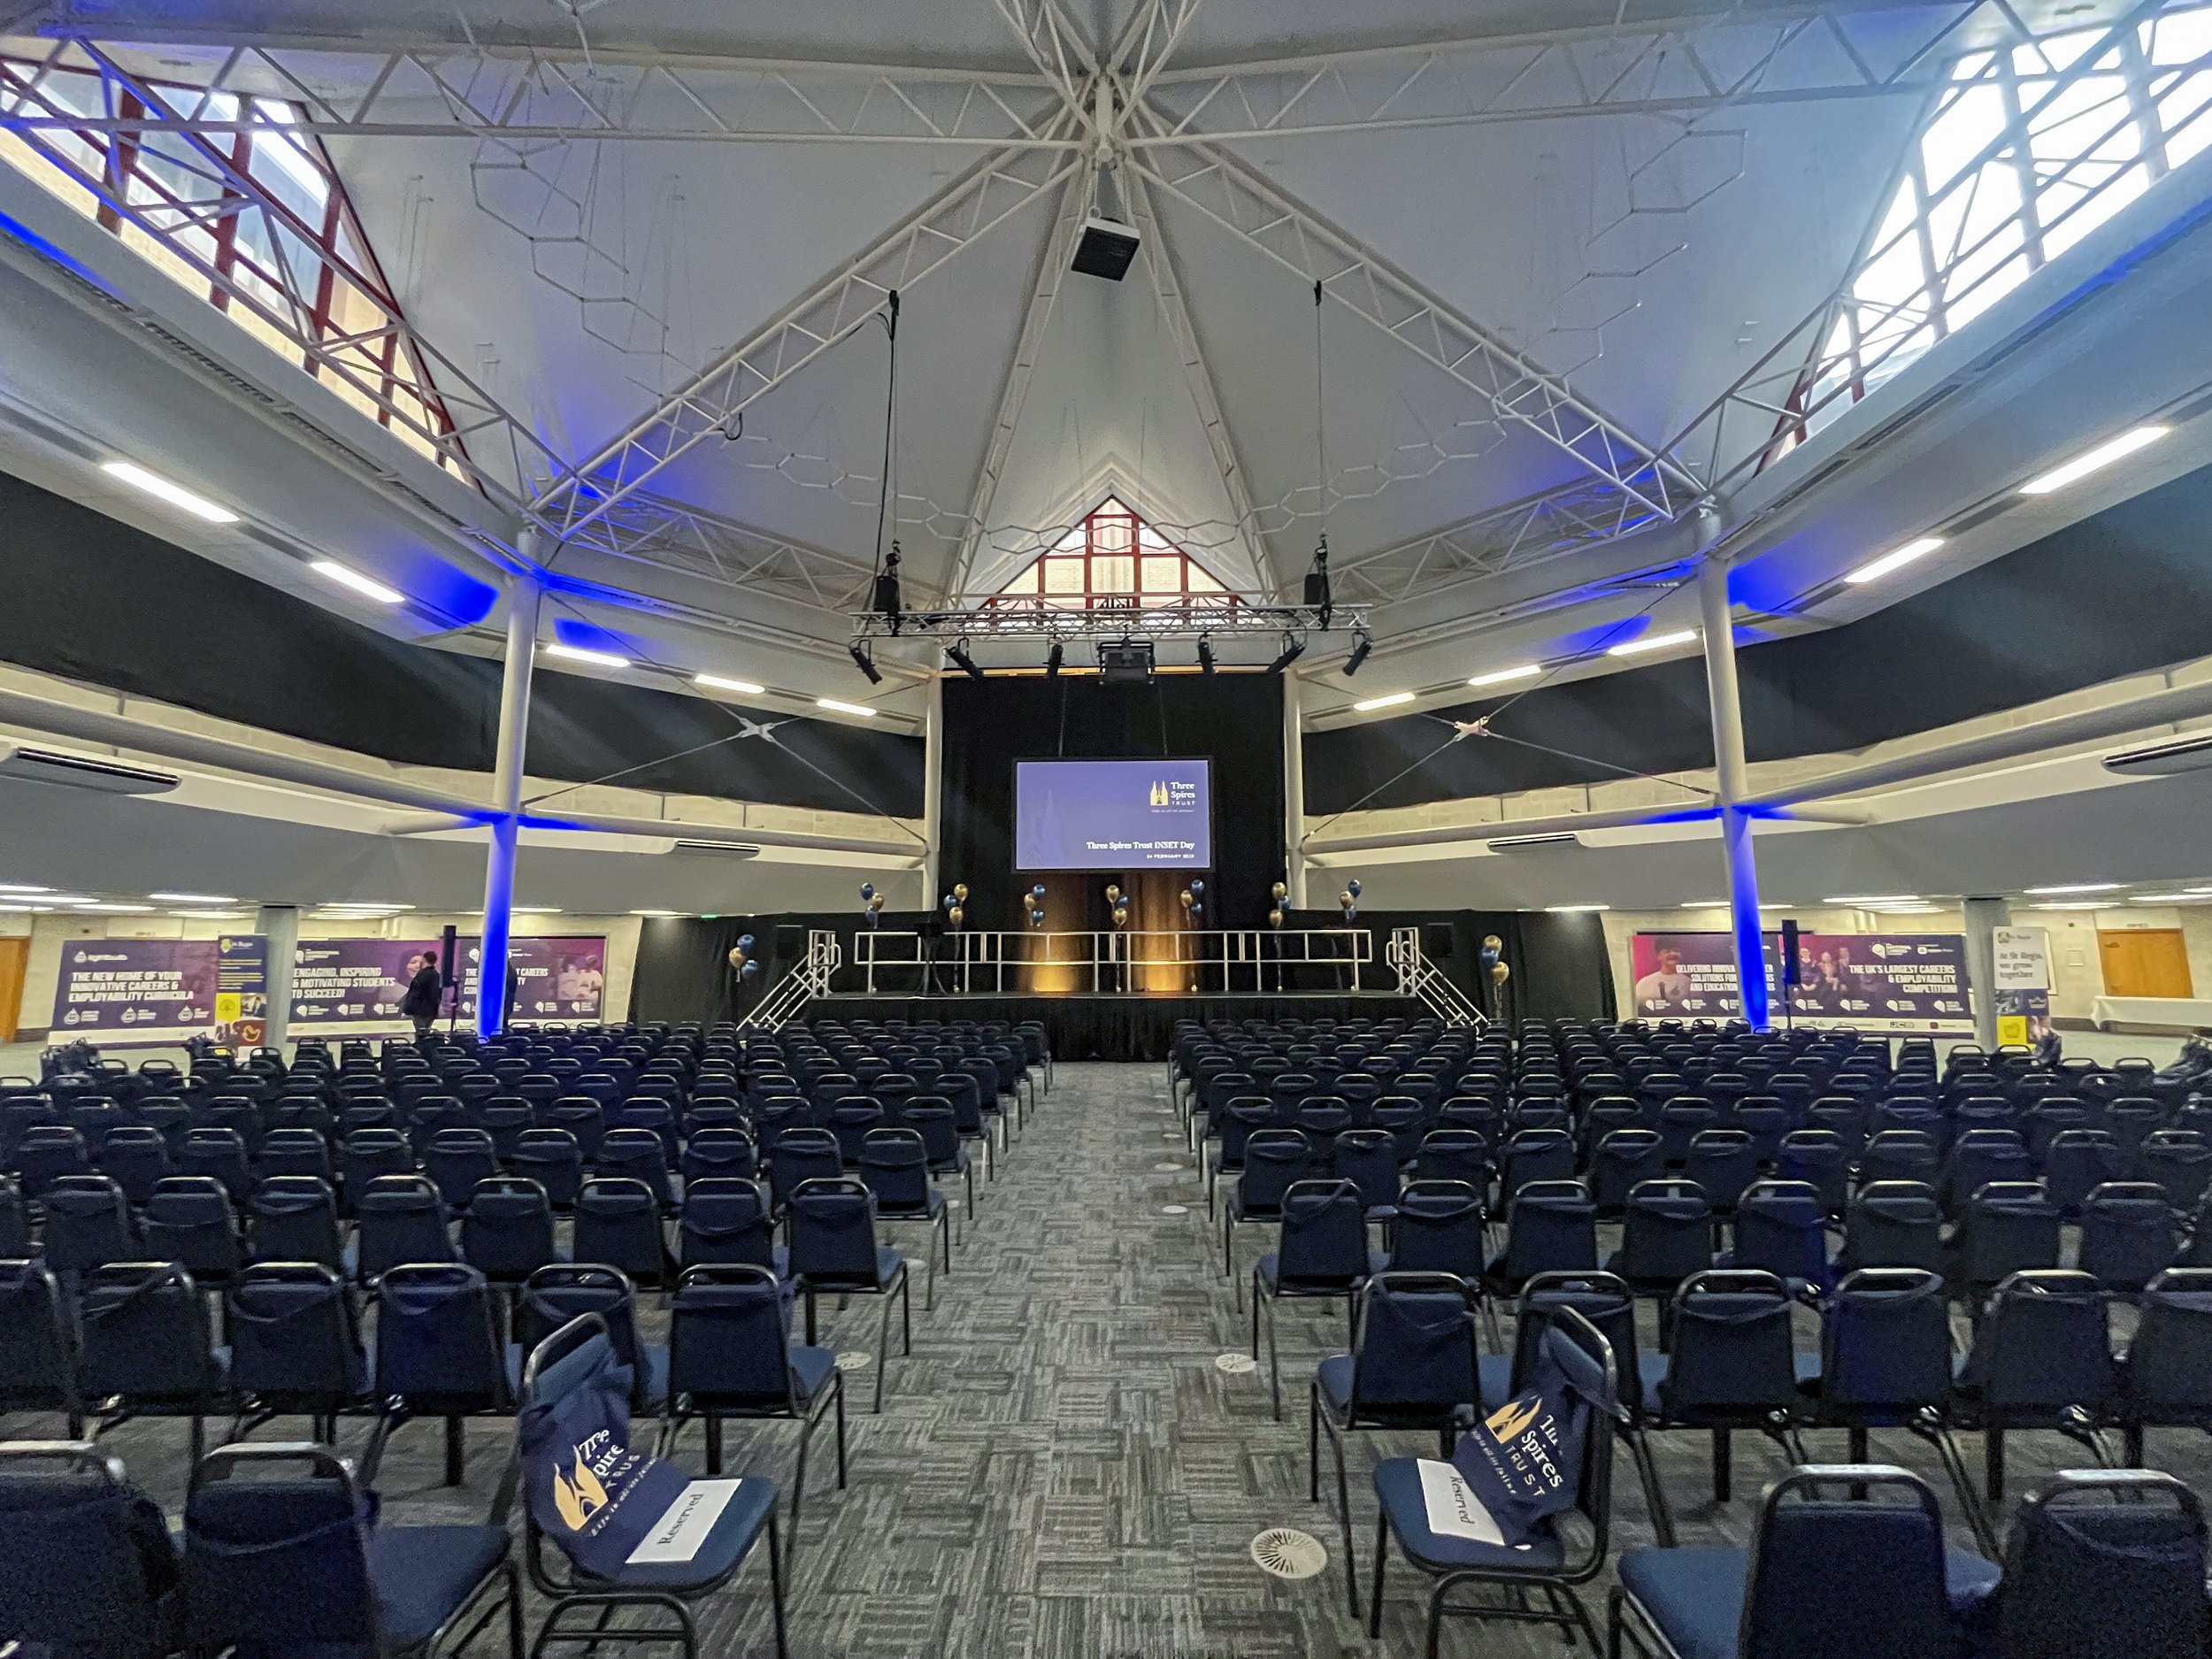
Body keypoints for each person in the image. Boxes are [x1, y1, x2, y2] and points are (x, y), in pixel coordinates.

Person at [401, 948, 442, 1041]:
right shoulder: (437, 975)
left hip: (419, 1010)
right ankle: (426, 1048)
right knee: (425, 1031)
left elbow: (415, 993)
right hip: (432, 1010)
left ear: (424, 959)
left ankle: (422, 1049)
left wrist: (407, 1009)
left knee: (421, 1032)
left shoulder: (422, 975)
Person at [1632, 945, 1689, 1010]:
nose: (1673, 954)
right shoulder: (1644, 983)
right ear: (1659, 956)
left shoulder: (1689, 983)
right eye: (1668, 951)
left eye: (1676, 950)